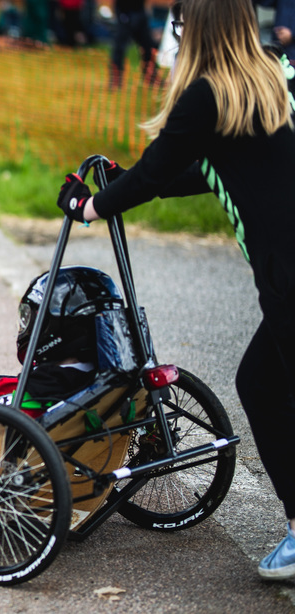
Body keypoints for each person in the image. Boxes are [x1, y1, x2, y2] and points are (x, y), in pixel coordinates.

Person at [56, 0, 295, 580]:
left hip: (289, 272)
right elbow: (206, 165)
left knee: (268, 385)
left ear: (198, 28)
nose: (176, 33)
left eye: (182, 23)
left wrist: (87, 205)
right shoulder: (268, 75)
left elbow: (159, 168)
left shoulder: (207, 94)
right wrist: (136, 183)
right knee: (261, 383)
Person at [109, 0, 159, 87]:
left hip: (139, 11)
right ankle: (115, 78)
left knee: (148, 46)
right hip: (124, 11)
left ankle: (151, 76)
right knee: (119, 47)